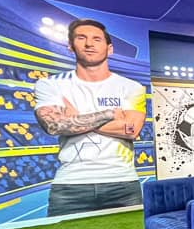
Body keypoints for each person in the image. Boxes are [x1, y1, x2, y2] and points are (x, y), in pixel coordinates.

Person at [33, 19, 147, 217]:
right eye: (81, 38)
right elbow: (54, 126)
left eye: (96, 39)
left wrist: (76, 118)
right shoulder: (50, 85)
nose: (89, 44)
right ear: (70, 46)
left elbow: (131, 130)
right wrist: (108, 114)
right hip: (70, 184)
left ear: (109, 49)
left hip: (122, 182)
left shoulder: (132, 87)